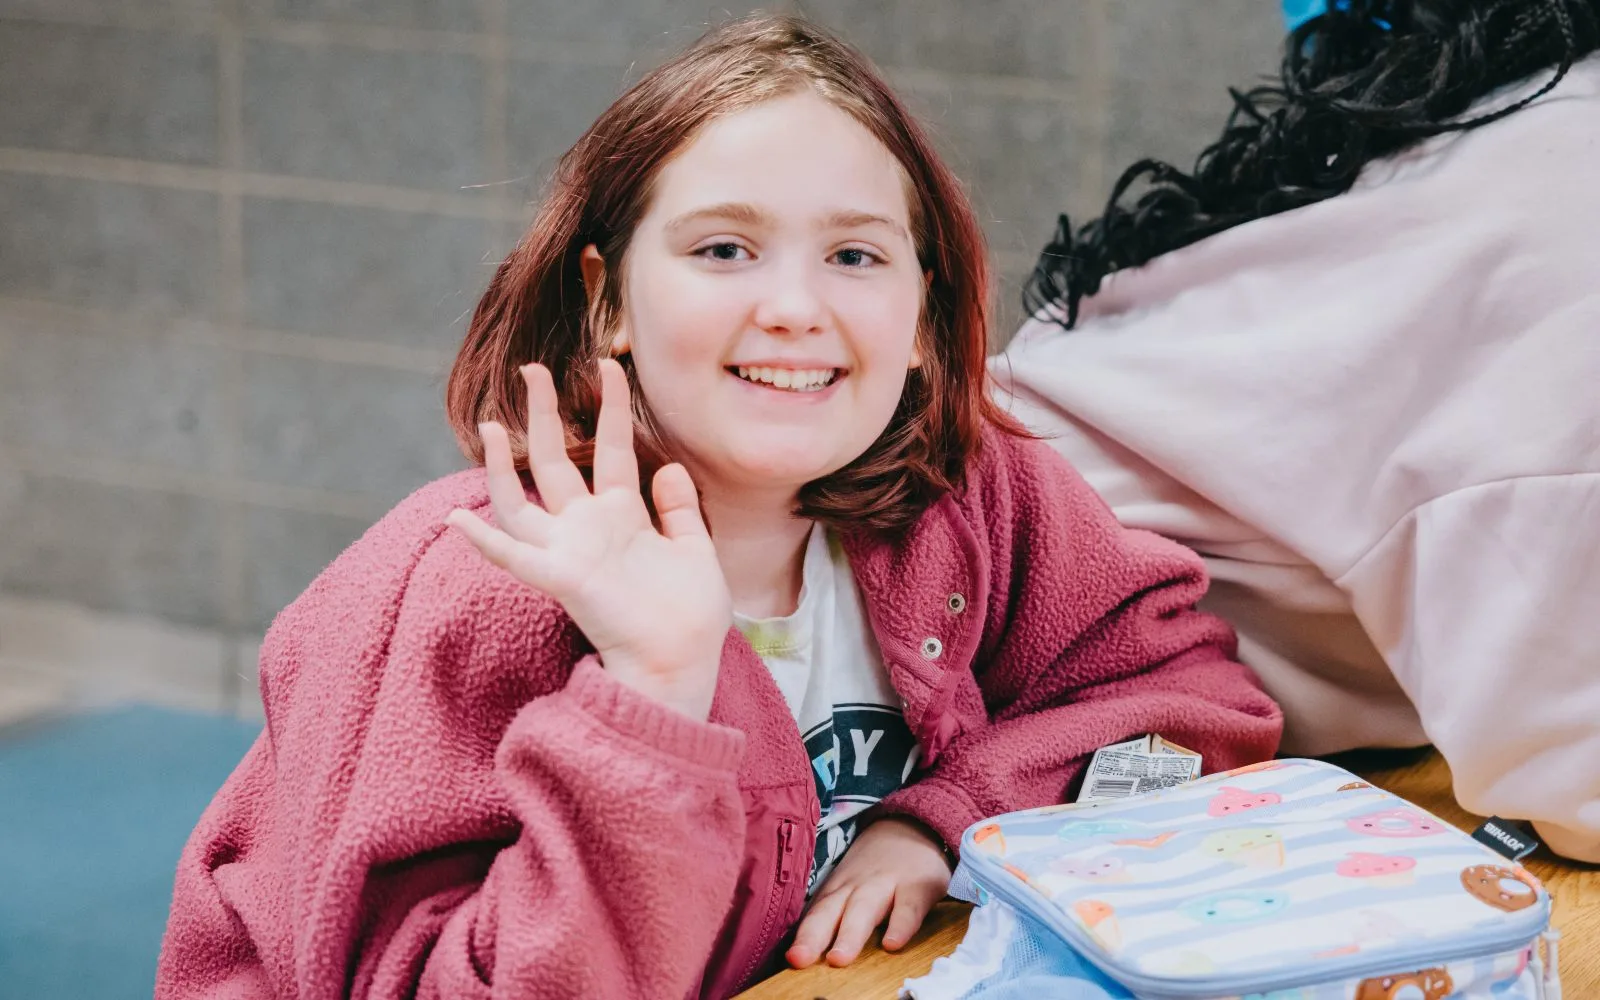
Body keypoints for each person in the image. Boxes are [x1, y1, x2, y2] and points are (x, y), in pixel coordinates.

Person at [156, 15, 1281, 999]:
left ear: (926, 317)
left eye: (853, 253)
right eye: (723, 249)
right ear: (608, 304)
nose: (793, 306)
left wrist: (943, 824)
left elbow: (1192, 705)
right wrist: (651, 697)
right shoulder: (466, 585)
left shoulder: (978, 497)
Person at [995, 0, 1600, 861]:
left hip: (1044, 623)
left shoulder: (1536, 112)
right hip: (965, 631)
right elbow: (1572, 780)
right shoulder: (1572, 203)